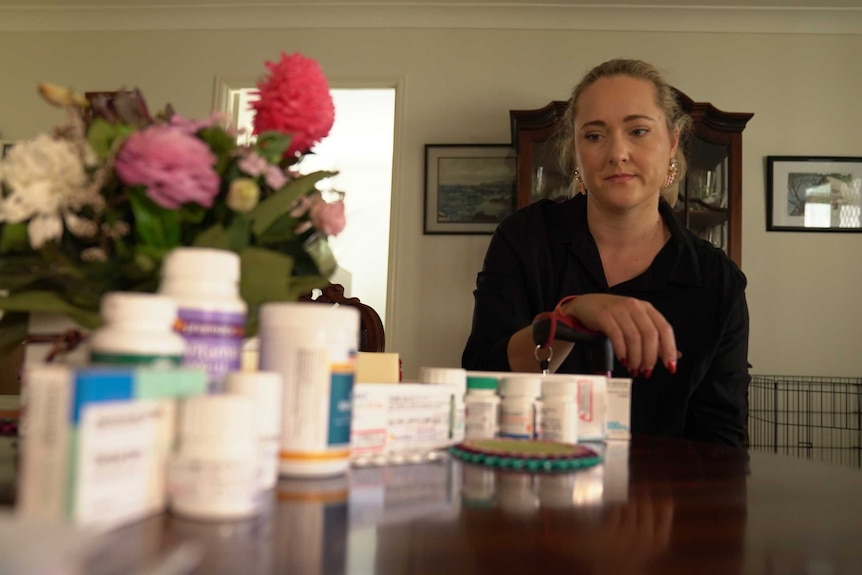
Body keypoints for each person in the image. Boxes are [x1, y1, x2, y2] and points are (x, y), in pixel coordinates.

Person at [461, 59, 750, 447]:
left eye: (638, 131)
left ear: (673, 142)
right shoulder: (524, 239)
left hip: (661, 500)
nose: (617, 152)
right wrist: (568, 317)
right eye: (595, 136)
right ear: (576, 151)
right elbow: (481, 380)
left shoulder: (716, 281)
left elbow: (721, 441)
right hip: (532, 487)